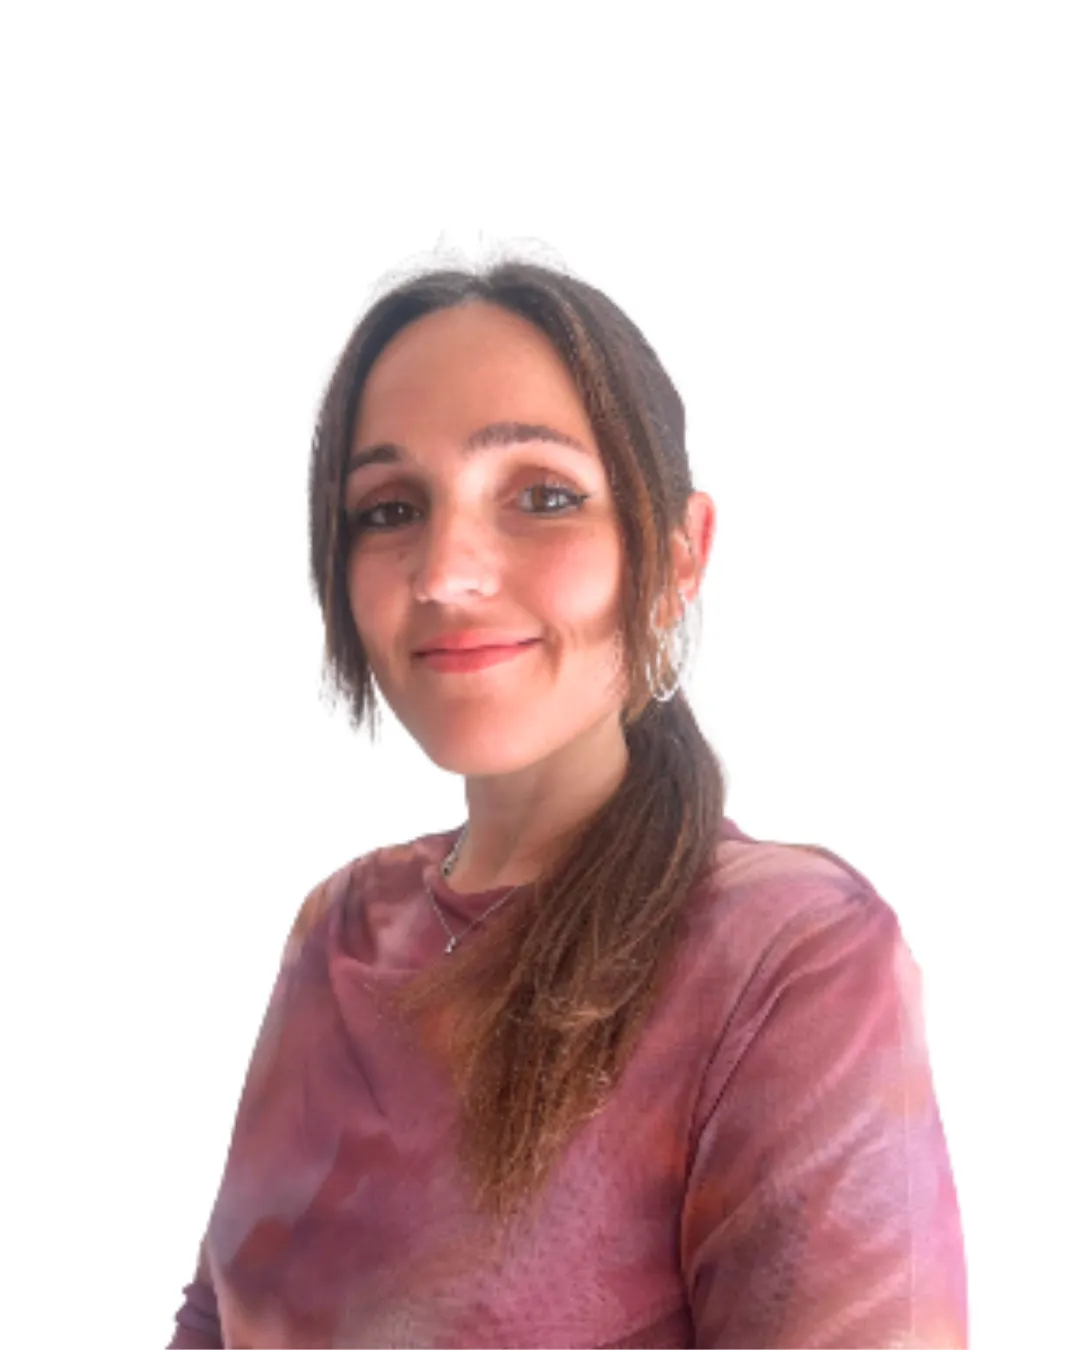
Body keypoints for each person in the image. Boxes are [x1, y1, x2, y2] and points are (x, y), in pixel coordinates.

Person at [167, 258, 968, 1349]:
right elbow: (219, 1317)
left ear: (679, 555)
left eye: (541, 496)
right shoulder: (338, 928)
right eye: (390, 508)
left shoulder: (792, 961)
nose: (446, 570)